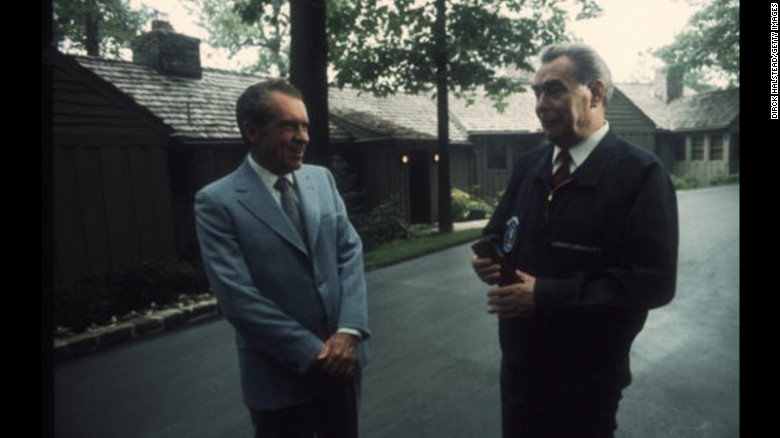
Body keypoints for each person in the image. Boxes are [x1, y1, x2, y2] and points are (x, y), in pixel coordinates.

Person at [471, 42, 679, 438]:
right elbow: (498, 230)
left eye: (554, 90)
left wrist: (546, 294)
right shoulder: (530, 164)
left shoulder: (640, 175)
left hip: (585, 380)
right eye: (536, 92)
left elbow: (654, 282)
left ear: (595, 92)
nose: (540, 103)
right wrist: (489, 256)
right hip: (519, 368)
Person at [194, 79, 370, 438]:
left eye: (305, 125)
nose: (303, 136)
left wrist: (349, 332)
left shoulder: (321, 179)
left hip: (344, 366)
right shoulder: (217, 202)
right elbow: (237, 298)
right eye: (289, 125)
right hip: (279, 380)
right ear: (252, 131)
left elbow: (349, 252)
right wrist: (316, 352)